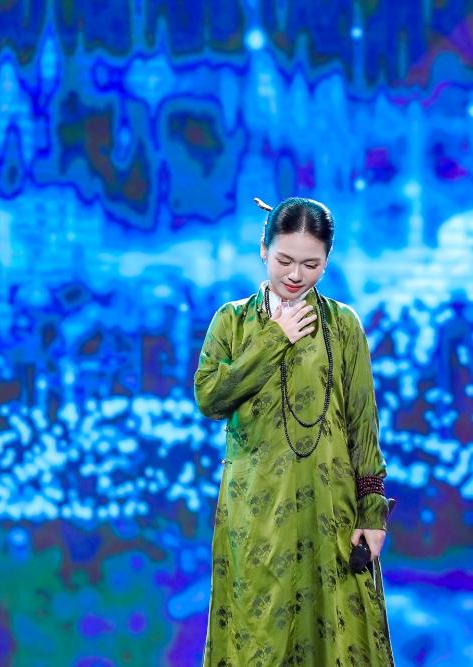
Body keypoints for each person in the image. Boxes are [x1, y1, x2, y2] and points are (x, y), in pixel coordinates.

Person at [194, 197, 394, 665]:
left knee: (337, 636)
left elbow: (362, 423)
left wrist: (372, 512)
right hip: (256, 512)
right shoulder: (232, 321)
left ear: (327, 260)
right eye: (284, 260)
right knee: (257, 633)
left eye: (311, 264)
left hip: (331, 511)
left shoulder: (343, 326)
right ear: (263, 248)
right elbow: (210, 399)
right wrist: (273, 338)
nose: (296, 275)